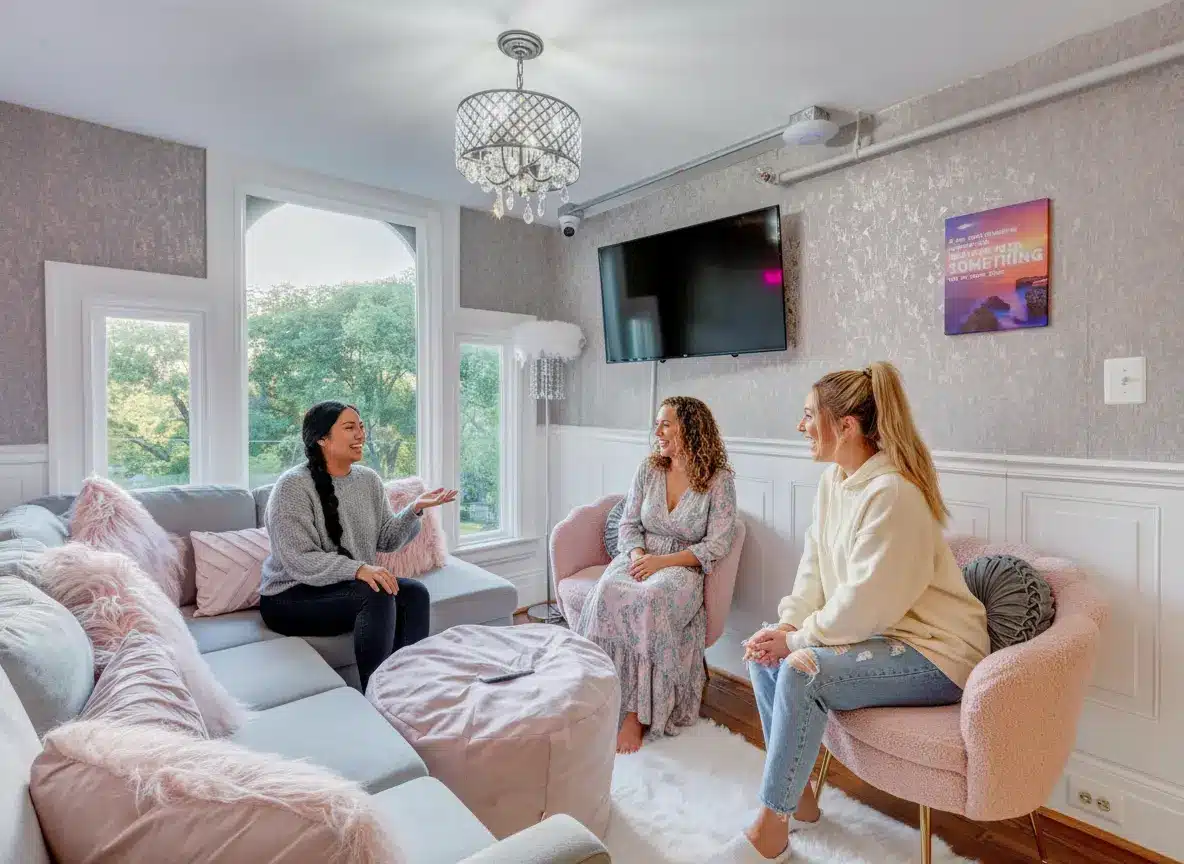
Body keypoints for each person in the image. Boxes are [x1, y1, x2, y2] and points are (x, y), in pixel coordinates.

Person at [709, 362, 989, 863]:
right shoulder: (835, 482)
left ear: (846, 426)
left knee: (802, 669)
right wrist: (788, 624)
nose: (800, 426)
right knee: (762, 654)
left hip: (938, 654)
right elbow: (813, 569)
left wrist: (798, 643)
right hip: (882, 638)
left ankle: (771, 826)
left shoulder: (894, 495)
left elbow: (865, 605)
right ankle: (801, 798)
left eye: (808, 415)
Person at [574, 396, 737, 754]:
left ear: (691, 429)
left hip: (682, 567)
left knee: (649, 599)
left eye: (666, 424)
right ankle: (597, 693)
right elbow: (630, 522)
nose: (658, 432)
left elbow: (718, 543)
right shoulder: (649, 469)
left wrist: (661, 564)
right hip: (639, 555)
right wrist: (637, 555)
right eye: (658, 424)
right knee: (607, 591)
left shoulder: (718, 480)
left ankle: (638, 713)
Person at [259, 401, 458, 691]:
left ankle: (410, 689)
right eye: (349, 428)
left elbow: (387, 540)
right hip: (290, 596)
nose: (360, 434)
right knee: (375, 594)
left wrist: (414, 509)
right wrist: (359, 569)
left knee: (414, 594)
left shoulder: (368, 480)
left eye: (361, 427)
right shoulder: (293, 486)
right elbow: (299, 559)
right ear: (322, 439)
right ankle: (377, 695)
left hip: (344, 587)